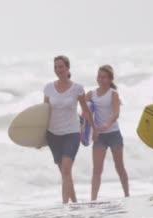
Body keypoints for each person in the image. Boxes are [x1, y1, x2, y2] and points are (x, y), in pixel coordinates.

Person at [44, 55, 95, 204]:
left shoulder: (77, 88)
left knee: (66, 170)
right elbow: (44, 111)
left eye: (61, 66)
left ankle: (64, 206)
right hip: (53, 134)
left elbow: (85, 110)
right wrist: (39, 136)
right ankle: (75, 203)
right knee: (65, 173)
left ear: (67, 68)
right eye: (56, 67)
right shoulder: (48, 88)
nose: (58, 70)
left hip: (72, 133)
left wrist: (94, 129)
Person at [86, 65, 129, 200]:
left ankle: (127, 195)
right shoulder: (91, 94)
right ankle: (93, 199)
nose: (101, 79)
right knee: (97, 170)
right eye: (99, 76)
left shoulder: (113, 93)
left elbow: (116, 112)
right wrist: (89, 131)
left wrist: (107, 123)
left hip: (113, 134)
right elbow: (86, 114)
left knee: (119, 166)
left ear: (110, 79)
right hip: (99, 136)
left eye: (104, 77)